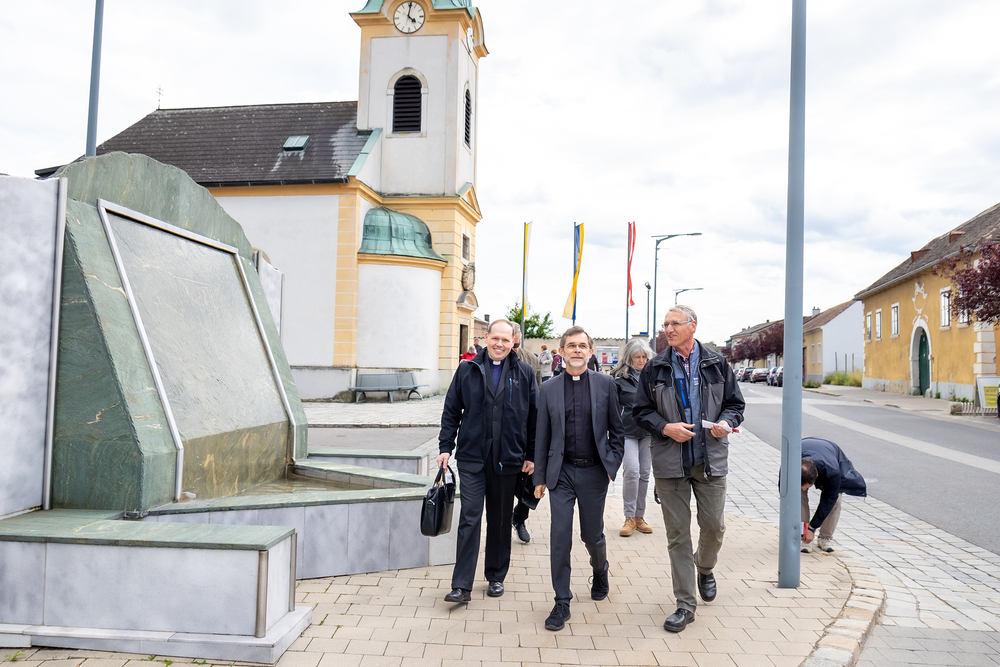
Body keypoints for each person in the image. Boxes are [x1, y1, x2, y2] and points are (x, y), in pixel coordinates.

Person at [634, 305, 745, 633]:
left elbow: (735, 405)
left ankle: (705, 568)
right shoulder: (654, 367)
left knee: (714, 527)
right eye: (665, 324)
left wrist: (726, 421)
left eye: (675, 323)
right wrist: (665, 428)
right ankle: (685, 604)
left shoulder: (716, 363)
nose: (668, 329)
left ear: (693, 326)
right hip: (670, 464)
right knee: (678, 536)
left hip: (710, 461)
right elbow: (640, 411)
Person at [437, 318, 537, 603]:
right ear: (486, 338)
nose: (500, 344)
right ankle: (461, 585)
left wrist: (531, 455)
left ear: (513, 341)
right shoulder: (467, 370)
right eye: (495, 338)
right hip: (472, 458)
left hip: (508, 459)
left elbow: (534, 417)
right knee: (470, 519)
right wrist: (445, 447)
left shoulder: (524, 372)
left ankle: (495, 576)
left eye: (506, 340)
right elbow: (451, 410)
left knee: (500, 520)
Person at [533, 326, 625, 631]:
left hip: (594, 472)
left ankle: (600, 570)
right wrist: (539, 478)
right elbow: (542, 436)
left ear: (590, 351)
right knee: (560, 536)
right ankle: (562, 600)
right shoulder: (549, 388)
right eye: (571, 345)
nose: (576, 350)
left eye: (582, 346)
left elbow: (618, 431)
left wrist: (611, 465)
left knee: (591, 535)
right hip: (561, 473)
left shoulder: (605, 384)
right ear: (561, 351)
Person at [612, 338, 655, 537]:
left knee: (644, 473)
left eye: (644, 357)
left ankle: (639, 516)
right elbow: (611, 408)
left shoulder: (653, 377)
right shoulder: (618, 379)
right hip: (627, 432)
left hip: (648, 432)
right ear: (629, 358)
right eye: (637, 357)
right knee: (632, 471)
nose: (641, 360)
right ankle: (629, 516)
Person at [800, 437, 867, 553]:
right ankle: (804, 536)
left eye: (807, 486)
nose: (804, 489)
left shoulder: (833, 471)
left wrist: (812, 527)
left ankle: (825, 537)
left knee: (836, 501)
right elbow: (784, 492)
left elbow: (829, 499)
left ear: (817, 477)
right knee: (798, 498)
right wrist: (804, 530)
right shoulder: (789, 465)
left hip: (830, 453)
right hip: (802, 447)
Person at [510, 323, 542, 544]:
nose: (513, 347)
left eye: (516, 342)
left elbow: (538, 394)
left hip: (527, 429)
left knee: (531, 482)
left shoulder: (530, 360)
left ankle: (519, 518)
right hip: (505, 433)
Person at [512, 322, 543, 387]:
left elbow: (538, 386)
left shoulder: (531, 359)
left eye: (515, 345)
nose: (511, 349)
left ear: (520, 340)